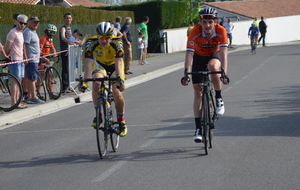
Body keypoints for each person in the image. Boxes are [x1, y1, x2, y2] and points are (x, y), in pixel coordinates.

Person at [181, 8, 229, 142]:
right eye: (204, 22)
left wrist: (224, 72)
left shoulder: (221, 31)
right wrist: (187, 74)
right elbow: (189, 54)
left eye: (210, 22)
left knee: (213, 67)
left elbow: (224, 53)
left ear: (214, 22)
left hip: (215, 55)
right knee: (198, 93)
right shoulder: (194, 32)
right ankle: (198, 129)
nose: (207, 25)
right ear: (200, 23)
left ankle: (219, 97)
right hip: (199, 57)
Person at [79, 22, 127, 137]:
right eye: (101, 38)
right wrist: (85, 82)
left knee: (117, 93)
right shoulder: (91, 42)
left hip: (115, 66)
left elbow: (119, 63)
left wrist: (120, 80)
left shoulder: (117, 43)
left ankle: (121, 121)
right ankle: (99, 114)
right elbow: (89, 64)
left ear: (111, 37)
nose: (104, 41)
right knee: (96, 83)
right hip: (101, 65)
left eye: (106, 38)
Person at [4, 14, 28, 109]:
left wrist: (24, 57)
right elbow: (7, 46)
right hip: (14, 59)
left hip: (20, 59)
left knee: (19, 80)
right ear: (17, 22)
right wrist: (7, 57)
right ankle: (14, 102)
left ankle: (17, 101)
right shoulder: (12, 33)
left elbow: (22, 47)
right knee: (15, 81)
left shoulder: (21, 33)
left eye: (24, 23)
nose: (22, 25)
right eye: (21, 23)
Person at [23, 16, 44, 104]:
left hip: (35, 59)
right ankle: (33, 97)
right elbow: (24, 45)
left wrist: (40, 53)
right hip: (31, 59)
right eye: (33, 22)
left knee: (31, 78)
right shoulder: (28, 32)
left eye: (37, 22)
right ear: (29, 23)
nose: (35, 24)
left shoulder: (33, 32)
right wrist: (26, 58)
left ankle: (30, 96)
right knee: (32, 78)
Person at [39, 24, 58, 94]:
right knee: (41, 76)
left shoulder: (50, 39)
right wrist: (43, 58)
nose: (52, 34)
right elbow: (39, 50)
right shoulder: (43, 38)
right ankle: (37, 91)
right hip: (41, 59)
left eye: (54, 32)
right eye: (51, 32)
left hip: (47, 59)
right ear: (47, 31)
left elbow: (53, 48)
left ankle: (51, 92)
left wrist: (55, 53)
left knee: (50, 76)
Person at [59, 12, 75, 93]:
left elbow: (71, 39)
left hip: (70, 51)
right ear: (64, 19)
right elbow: (63, 37)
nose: (68, 19)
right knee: (65, 69)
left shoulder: (70, 28)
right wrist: (70, 43)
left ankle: (68, 86)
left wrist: (76, 42)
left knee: (69, 69)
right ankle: (64, 87)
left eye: (70, 18)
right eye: (67, 18)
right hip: (65, 51)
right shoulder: (63, 28)